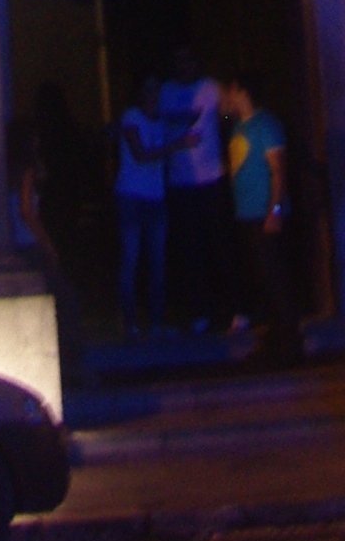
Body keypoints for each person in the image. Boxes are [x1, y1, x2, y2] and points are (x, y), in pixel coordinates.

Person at [220, 76, 297, 357]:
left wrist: (274, 210)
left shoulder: (266, 125)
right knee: (261, 277)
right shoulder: (239, 126)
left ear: (240, 90)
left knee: (274, 276)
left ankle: (289, 340)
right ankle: (275, 334)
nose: (226, 97)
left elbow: (279, 170)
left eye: (229, 90)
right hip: (246, 213)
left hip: (264, 212)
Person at [160, 44, 233, 333]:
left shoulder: (211, 89)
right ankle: (198, 312)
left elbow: (227, 119)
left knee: (221, 246)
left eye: (189, 60)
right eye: (179, 61)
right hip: (180, 182)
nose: (184, 66)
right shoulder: (165, 91)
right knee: (191, 250)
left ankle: (232, 310)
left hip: (212, 176)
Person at [114, 74, 169, 340]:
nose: (152, 95)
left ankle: (156, 323)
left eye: (156, 90)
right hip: (131, 198)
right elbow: (141, 154)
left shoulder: (160, 120)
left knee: (157, 262)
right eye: (148, 90)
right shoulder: (131, 117)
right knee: (131, 259)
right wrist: (178, 145)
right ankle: (130, 323)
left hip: (156, 198)